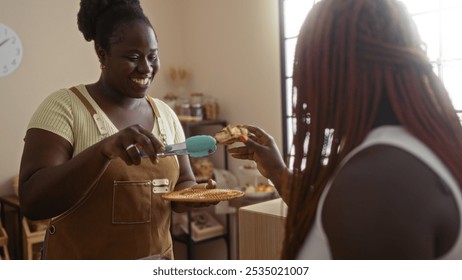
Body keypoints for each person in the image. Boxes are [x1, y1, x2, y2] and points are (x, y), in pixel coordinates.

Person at [229, 0, 462, 259]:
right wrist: (278, 172)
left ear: (343, 71)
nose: (303, 87)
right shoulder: (419, 144)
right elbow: (328, 212)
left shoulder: (377, 182)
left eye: (307, 67)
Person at [18, 0, 215, 260]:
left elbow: (183, 184)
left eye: (152, 56)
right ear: (102, 53)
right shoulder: (65, 108)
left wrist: (198, 194)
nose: (146, 68)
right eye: (133, 57)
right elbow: (32, 202)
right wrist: (103, 151)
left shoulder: (165, 115)